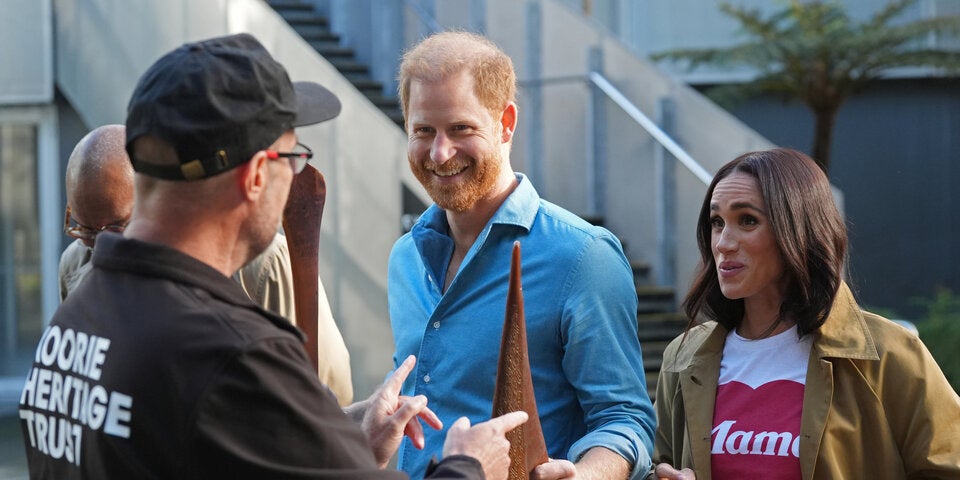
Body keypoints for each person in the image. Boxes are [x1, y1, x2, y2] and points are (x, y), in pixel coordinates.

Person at [19, 32, 528, 479]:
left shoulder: (72, 323)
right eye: (293, 156)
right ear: (257, 175)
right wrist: (468, 465)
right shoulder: (233, 353)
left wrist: (337, 449)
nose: (295, 177)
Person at [388, 31, 656, 480]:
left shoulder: (583, 255)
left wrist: (585, 476)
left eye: (460, 129)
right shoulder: (405, 256)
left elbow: (624, 419)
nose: (439, 152)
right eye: (423, 131)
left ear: (506, 123)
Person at [651, 148, 960, 480]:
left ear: (799, 230)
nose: (723, 243)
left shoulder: (887, 355)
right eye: (716, 222)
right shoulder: (684, 357)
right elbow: (655, 464)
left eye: (748, 221)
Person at [58, 125, 354, 404]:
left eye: (116, 227)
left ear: (154, 198)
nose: (102, 246)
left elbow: (330, 389)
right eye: (84, 229)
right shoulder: (76, 263)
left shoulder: (262, 265)